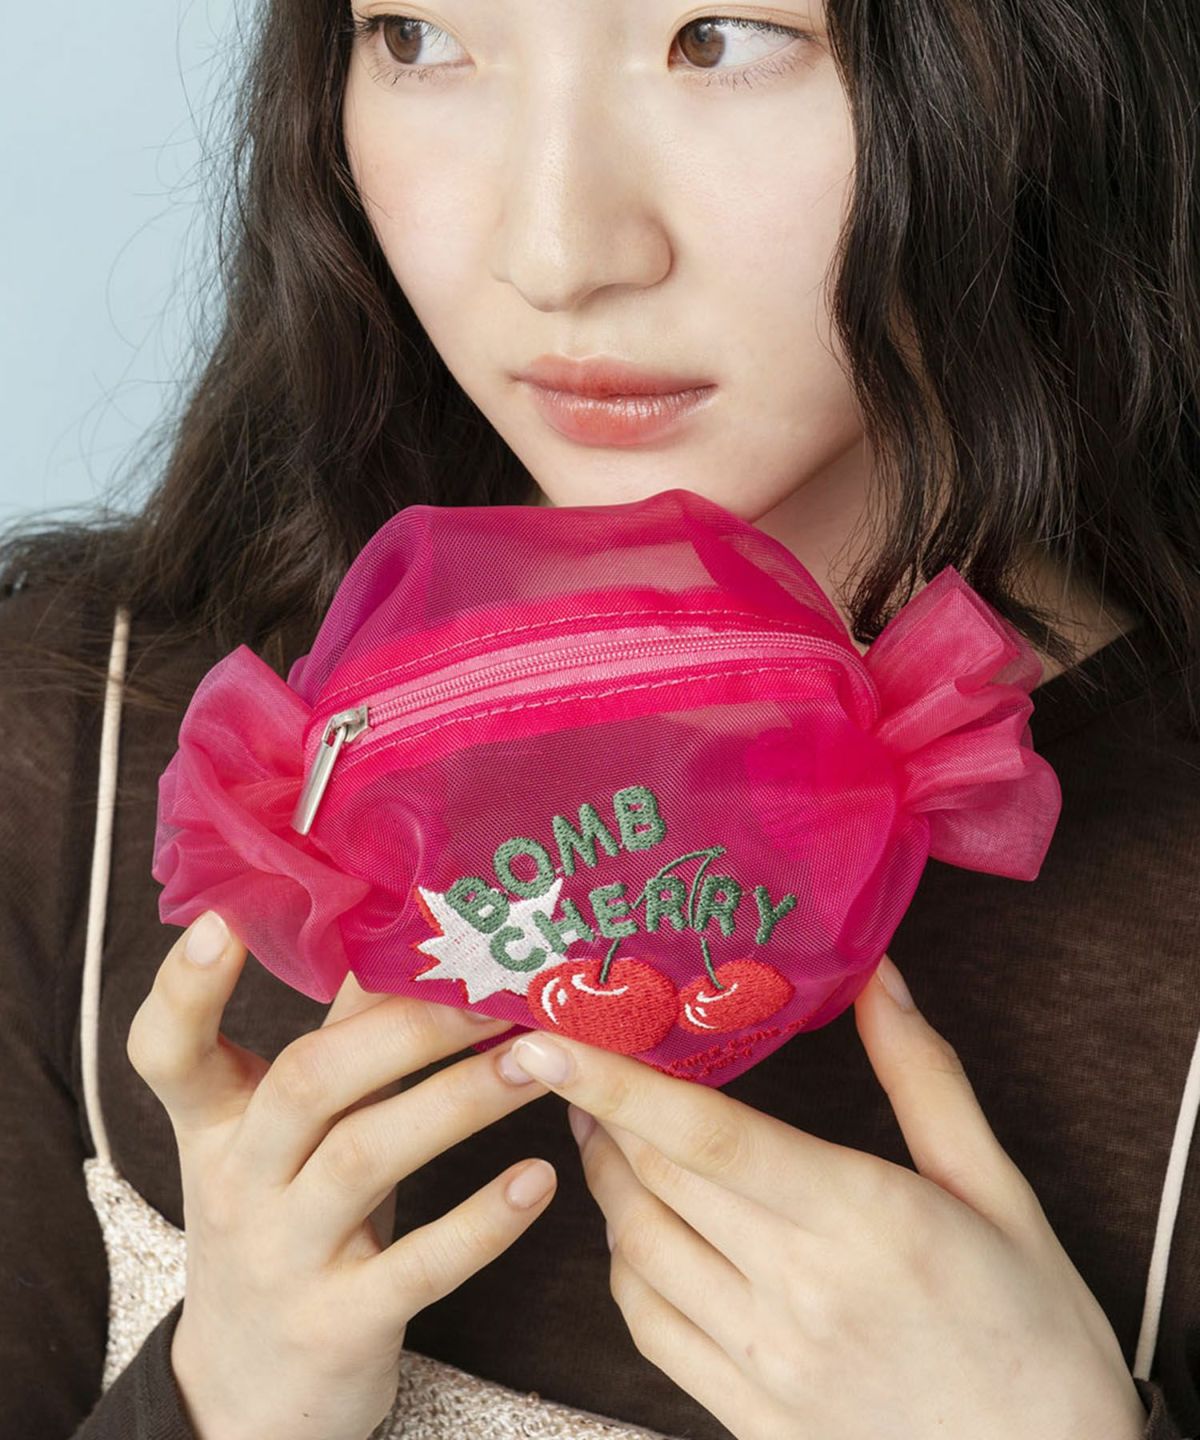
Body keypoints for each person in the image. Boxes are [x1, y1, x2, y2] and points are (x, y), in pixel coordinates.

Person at [1, 1, 1197, 1437]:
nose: (557, 254)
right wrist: (225, 1399)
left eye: (720, 38)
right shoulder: (81, 724)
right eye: (420, 36)